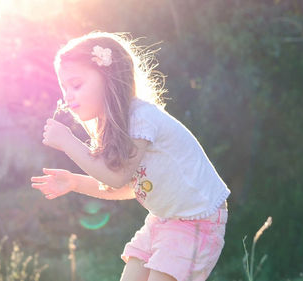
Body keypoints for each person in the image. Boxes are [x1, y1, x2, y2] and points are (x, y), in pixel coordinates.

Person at [30, 31, 231, 281]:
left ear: (109, 78)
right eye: (64, 87)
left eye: (76, 85)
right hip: (164, 219)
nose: (68, 95)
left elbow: (117, 177)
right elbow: (129, 186)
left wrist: (69, 142)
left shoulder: (140, 117)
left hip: (197, 221)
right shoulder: (112, 128)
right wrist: (75, 182)